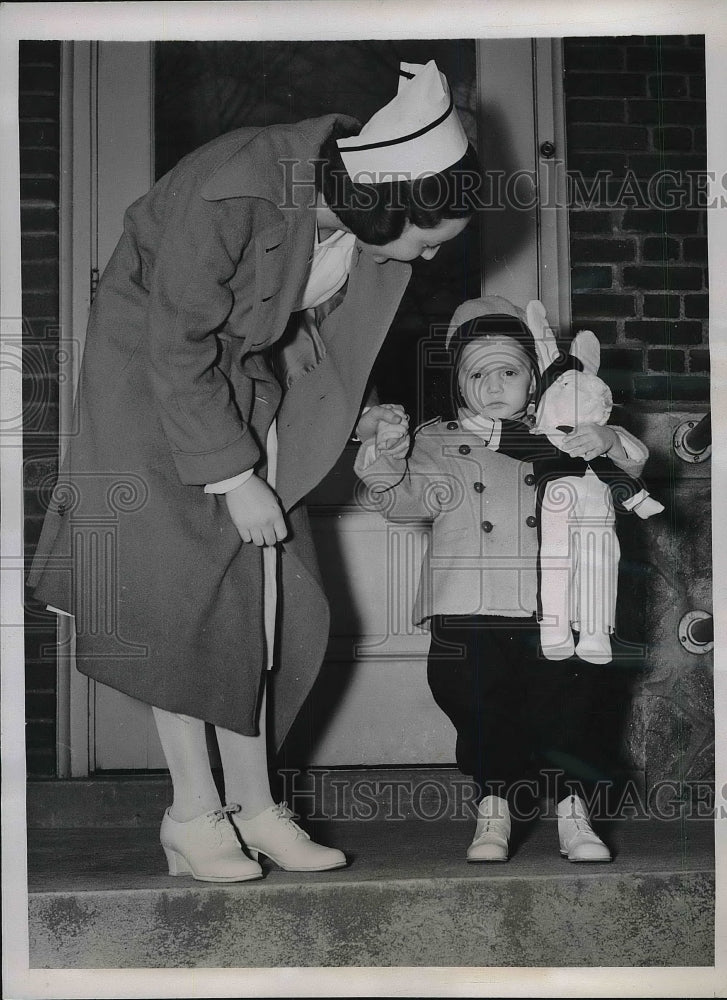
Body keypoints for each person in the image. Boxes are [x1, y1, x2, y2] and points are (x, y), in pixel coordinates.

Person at [28, 61, 481, 881]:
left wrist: (365, 413)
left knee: (267, 599)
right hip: (151, 390)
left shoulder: (350, 207)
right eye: (423, 237)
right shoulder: (234, 189)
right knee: (179, 601)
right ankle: (193, 815)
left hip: (241, 386)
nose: (423, 256)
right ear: (385, 200)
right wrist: (235, 477)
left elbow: (307, 325)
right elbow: (176, 345)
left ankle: (255, 805)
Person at [354, 296, 650, 863]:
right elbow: (397, 502)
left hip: (554, 607)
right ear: (458, 383)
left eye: (509, 371)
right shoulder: (437, 440)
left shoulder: (562, 433)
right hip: (467, 603)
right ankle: (495, 808)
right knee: (477, 705)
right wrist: (387, 454)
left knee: (570, 706)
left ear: (534, 376)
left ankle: (573, 812)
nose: (494, 385)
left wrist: (607, 440)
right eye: (477, 373)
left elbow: (625, 470)